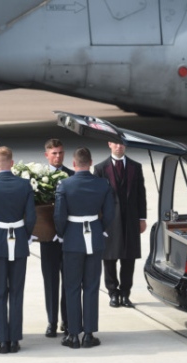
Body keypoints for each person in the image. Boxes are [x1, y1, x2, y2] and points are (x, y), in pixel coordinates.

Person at [0, 146, 36, 354]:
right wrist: (25, 235)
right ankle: (14, 339)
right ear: (12, 163)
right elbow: (31, 217)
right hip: (18, 240)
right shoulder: (24, 185)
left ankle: (2, 340)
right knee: (17, 292)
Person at [54, 147, 115, 349]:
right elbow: (109, 213)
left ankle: (73, 335)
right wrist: (99, 229)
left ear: (73, 164)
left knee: (71, 287)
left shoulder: (65, 184)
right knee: (91, 287)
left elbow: (59, 216)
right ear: (90, 163)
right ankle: (88, 334)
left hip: (72, 239)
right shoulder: (102, 184)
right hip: (94, 238)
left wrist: (63, 234)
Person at [93, 142, 147, 308]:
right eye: (115, 143)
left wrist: (142, 218)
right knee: (109, 258)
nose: (119, 146)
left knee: (128, 257)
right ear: (109, 144)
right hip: (110, 220)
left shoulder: (135, 167)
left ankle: (125, 293)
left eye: (122, 143)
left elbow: (140, 193)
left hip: (130, 219)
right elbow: (97, 196)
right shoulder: (101, 168)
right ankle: (113, 292)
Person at [41, 139, 74, 338]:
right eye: (53, 153)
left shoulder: (71, 176)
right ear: (46, 155)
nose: (57, 156)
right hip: (48, 239)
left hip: (69, 238)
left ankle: (67, 320)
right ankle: (51, 321)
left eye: (60, 153)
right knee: (51, 282)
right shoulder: (38, 177)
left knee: (69, 281)